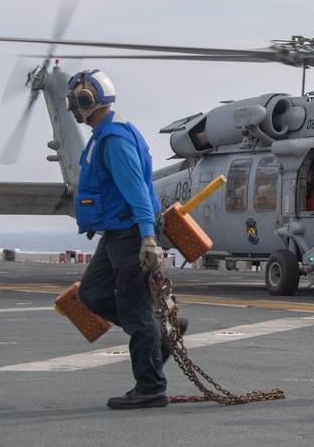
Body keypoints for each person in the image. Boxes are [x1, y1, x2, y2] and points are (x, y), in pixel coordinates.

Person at [67, 69, 185, 410]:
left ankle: (150, 387)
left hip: (131, 232)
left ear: (86, 100)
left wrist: (148, 238)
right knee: (92, 294)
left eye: (75, 100)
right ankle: (159, 333)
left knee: (135, 313)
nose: (73, 107)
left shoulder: (114, 139)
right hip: (118, 233)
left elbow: (136, 190)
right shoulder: (105, 134)